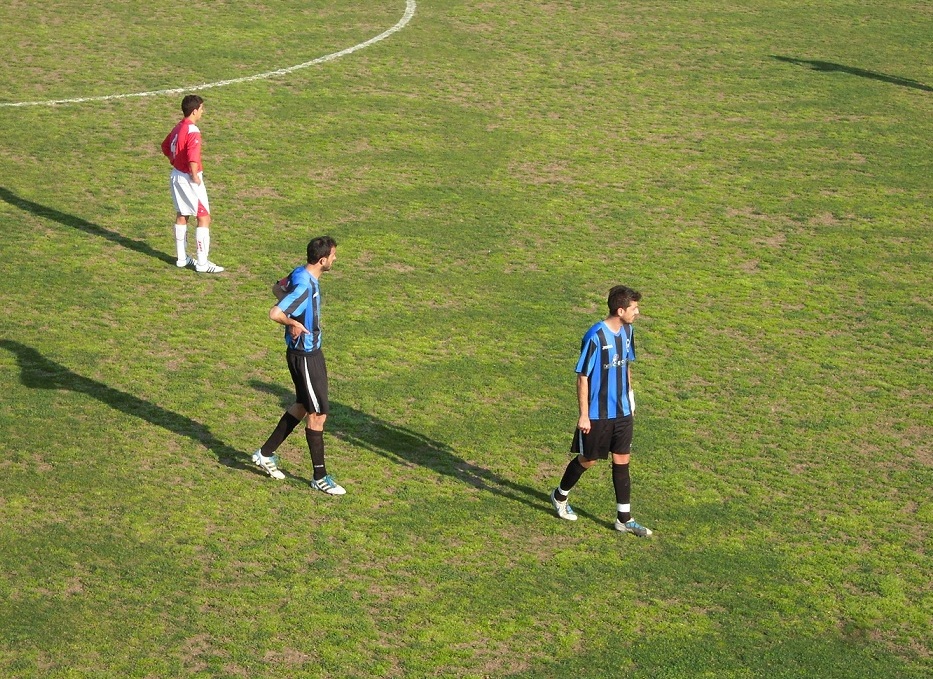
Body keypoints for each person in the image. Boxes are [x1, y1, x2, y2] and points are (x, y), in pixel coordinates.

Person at [549, 285, 653, 536]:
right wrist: (584, 414)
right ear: (620, 310)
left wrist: (630, 398)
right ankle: (559, 496)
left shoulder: (628, 331)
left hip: (622, 411)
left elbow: (626, 365)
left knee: (622, 460)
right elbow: (582, 376)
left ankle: (624, 519)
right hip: (597, 414)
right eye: (634, 308)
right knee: (589, 460)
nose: (637, 312)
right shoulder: (595, 336)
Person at [252, 236, 345, 495]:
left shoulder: (299, 272)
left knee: (303, 405)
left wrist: (293, 315)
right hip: (305, 355)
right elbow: (274, 312)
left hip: (309, 353)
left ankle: (265, 454)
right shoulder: (305, 285)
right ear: (322, 260)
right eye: (333, 255)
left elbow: (277, 288)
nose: (335, 259)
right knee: (317, 414)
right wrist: (292, 322)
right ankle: (320, 477)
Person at [161, 94, 224, 273]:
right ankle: (202, 263)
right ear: (194, 111)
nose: (203, 112)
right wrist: (195, 175)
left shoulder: (178, 127)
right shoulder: (193, 130)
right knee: (204, 217)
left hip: (176, 176)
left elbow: (165, 146)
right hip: (189, 179)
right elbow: (193, 156)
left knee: (182, 214)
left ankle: (182, 258)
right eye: (201, 109)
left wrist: (174, 161)